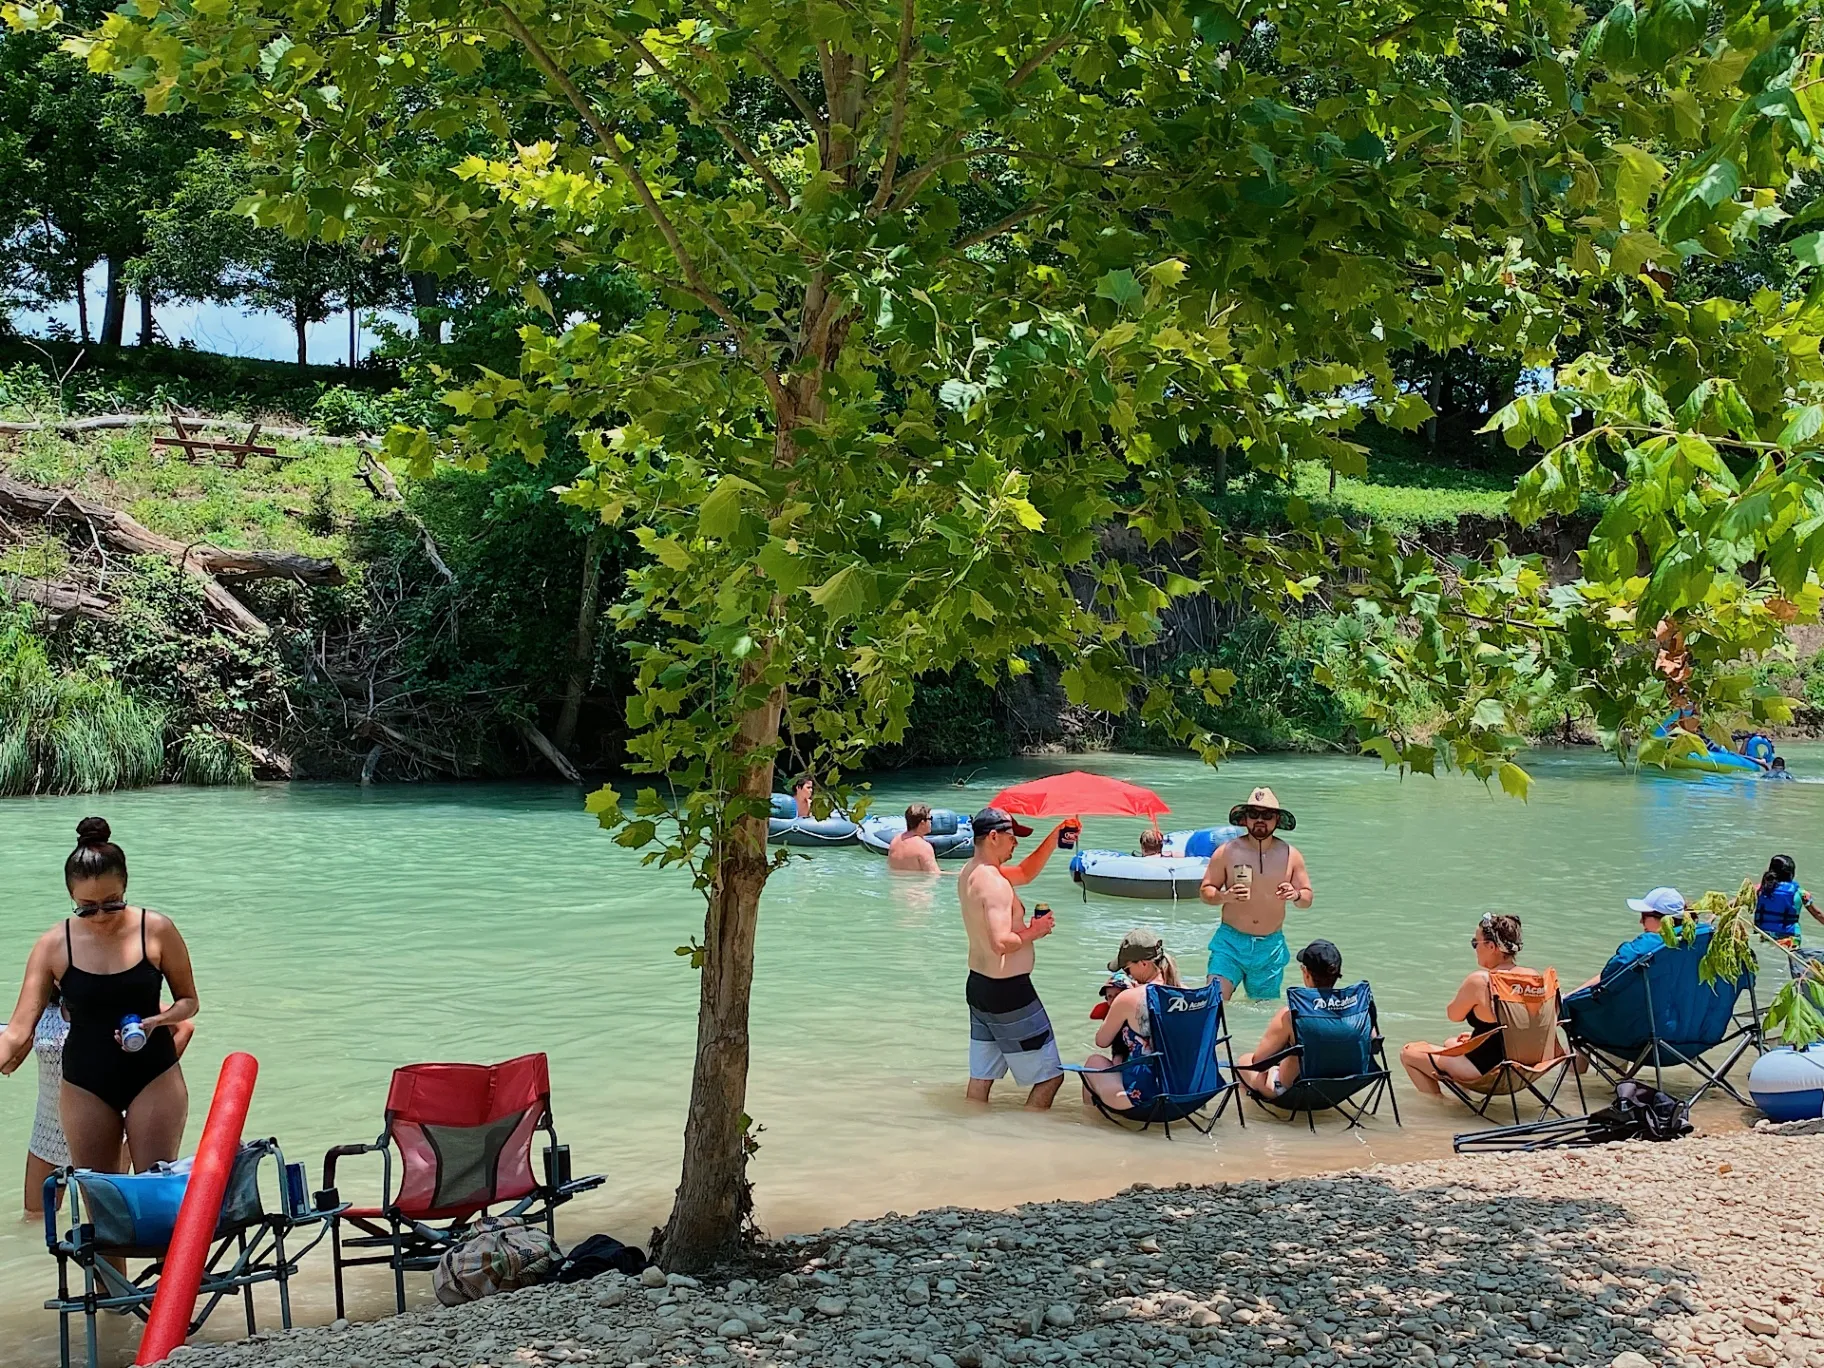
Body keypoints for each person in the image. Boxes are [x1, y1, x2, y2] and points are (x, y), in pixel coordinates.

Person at [0, 819, 199, 1176]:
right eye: (87, 908)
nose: (101, 916)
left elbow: (188, 1002)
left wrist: (156, 1021)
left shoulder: (157, 930)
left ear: (125, 885)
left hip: (153, 1073)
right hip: (85, 1082)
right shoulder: (53, 945)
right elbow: (16, 1032)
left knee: (155, 1185)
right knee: (102, 1200)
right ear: (71, 897)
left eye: (112, 903)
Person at [19, 986, 195, 1216]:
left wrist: (148, 1078)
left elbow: (183, 1027)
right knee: (35, 1216)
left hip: (103, 1119)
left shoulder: (108, 996)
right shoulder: (41, 1003)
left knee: (112, 1216)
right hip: (49, 1125)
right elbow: (16, 1041)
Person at [958, 807, 1075, 1109]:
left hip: (979, 988)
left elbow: (1025, 872)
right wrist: (1035, 931)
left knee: (982, 1077)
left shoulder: (971, 872)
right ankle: (1029, 1143)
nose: (1015, 844)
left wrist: (1056, 836)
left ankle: (971, 1134)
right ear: (994, 836)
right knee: (1050, 1077)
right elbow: (1001, 942)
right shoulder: (995, 883)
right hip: (1009, 994)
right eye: (1012, 838)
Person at [1198, 787, 1314, 1000]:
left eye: (1267, 815)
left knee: (1262, 1011)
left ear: (1277, 820)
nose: (1260, 820)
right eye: (1254, 814)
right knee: (1214, 1000)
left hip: (1269, 946)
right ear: (1245, 819)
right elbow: (1206, 891)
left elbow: (1307, 898)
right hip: (1230, 942)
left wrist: (1295, 894)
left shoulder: (1291, 855)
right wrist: (1225, 896)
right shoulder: (1227, 852)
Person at [1399, 914, 1534, 1096]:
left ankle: (1443, 1107)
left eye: (1475, 943)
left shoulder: (1481, 981)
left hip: (1486, 1071)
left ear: (1491, 946)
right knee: (1451, 1043)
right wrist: (1479, 1036)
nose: (1474, 949)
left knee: (1409, 1053)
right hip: (1525, 1070)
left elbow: (1453, 1015)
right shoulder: (1534, 979)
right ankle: (1461, 1098)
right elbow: (1517, 1026)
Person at [1077, 930, 1176, 1112]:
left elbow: (1101, 1041)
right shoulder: (1186, 993)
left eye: (1127, 968)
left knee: (1093, 1062)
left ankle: (1090, 1127)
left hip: (1143, 1099)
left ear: (1144, 963)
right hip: (1188, 1092)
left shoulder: (1130, 998)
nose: (1127, 974)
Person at [1235, 939, 1345, 1098]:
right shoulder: (1355, 1008)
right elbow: (1373, 1045)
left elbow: (1258, 1062)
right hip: (1339, 1087)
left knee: (1244, 1062)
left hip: (1294, 1092)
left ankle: (1255, 1119)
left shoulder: (1292, 1013)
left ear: (1306, 973)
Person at [1577, 888, 1688, 990]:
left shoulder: (1646, 946)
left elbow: (1610, 973)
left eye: (1644, 916)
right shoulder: (1696, 939)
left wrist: (1568, 998)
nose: (1640, 921)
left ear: (1664, 920)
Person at [1754, 854, 1823, 949]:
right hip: (1790, 940)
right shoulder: (1801, 894)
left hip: (1763, 936)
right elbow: (1818, 914)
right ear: (1791, 874)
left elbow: (1736, 903)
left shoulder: (1758, 889)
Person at [887, 803, 942, 874]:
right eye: (930, 818)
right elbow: (934, 874)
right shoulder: (923, 846)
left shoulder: (895, 841)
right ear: (922, 823)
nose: (931, 821)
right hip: (918, 884)